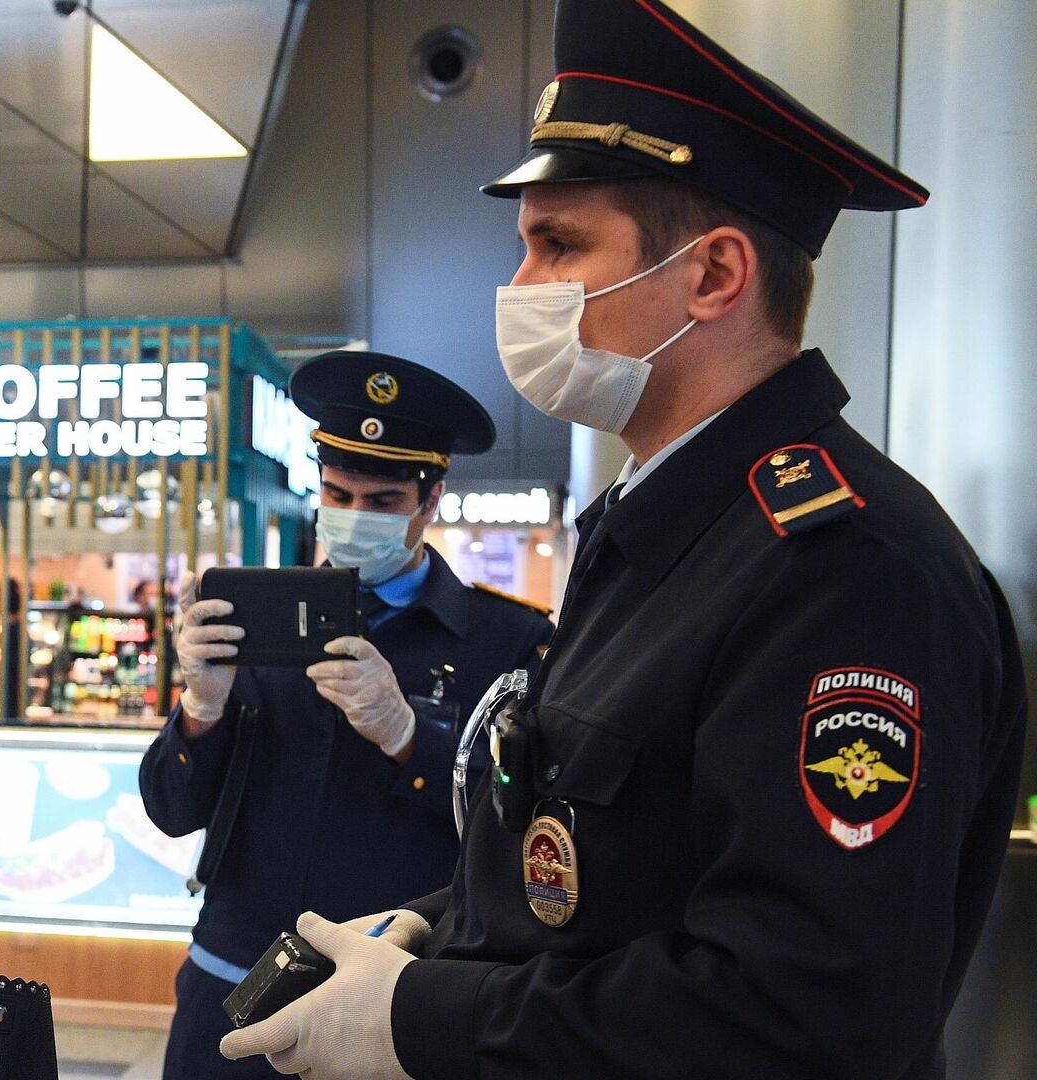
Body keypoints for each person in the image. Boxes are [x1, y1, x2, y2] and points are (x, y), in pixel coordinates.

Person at [219, 2, 1028, 1078]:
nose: (519, 290)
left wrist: (424, 1022)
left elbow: (804, 1008)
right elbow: (602, 878)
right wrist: (429, 932)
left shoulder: (843, 569)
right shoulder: (657, 531)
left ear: (713, 276)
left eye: (560, 245)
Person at [141, 351, 554, 1079]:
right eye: (338, 493)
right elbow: (174, 812)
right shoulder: (252, 619)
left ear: (429, 500)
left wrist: (409, 738)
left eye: (383, 501)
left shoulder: (507, 641)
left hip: (390, 995)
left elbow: (524, 829)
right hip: (231, 974)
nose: (355, 517)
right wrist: (200, 705)